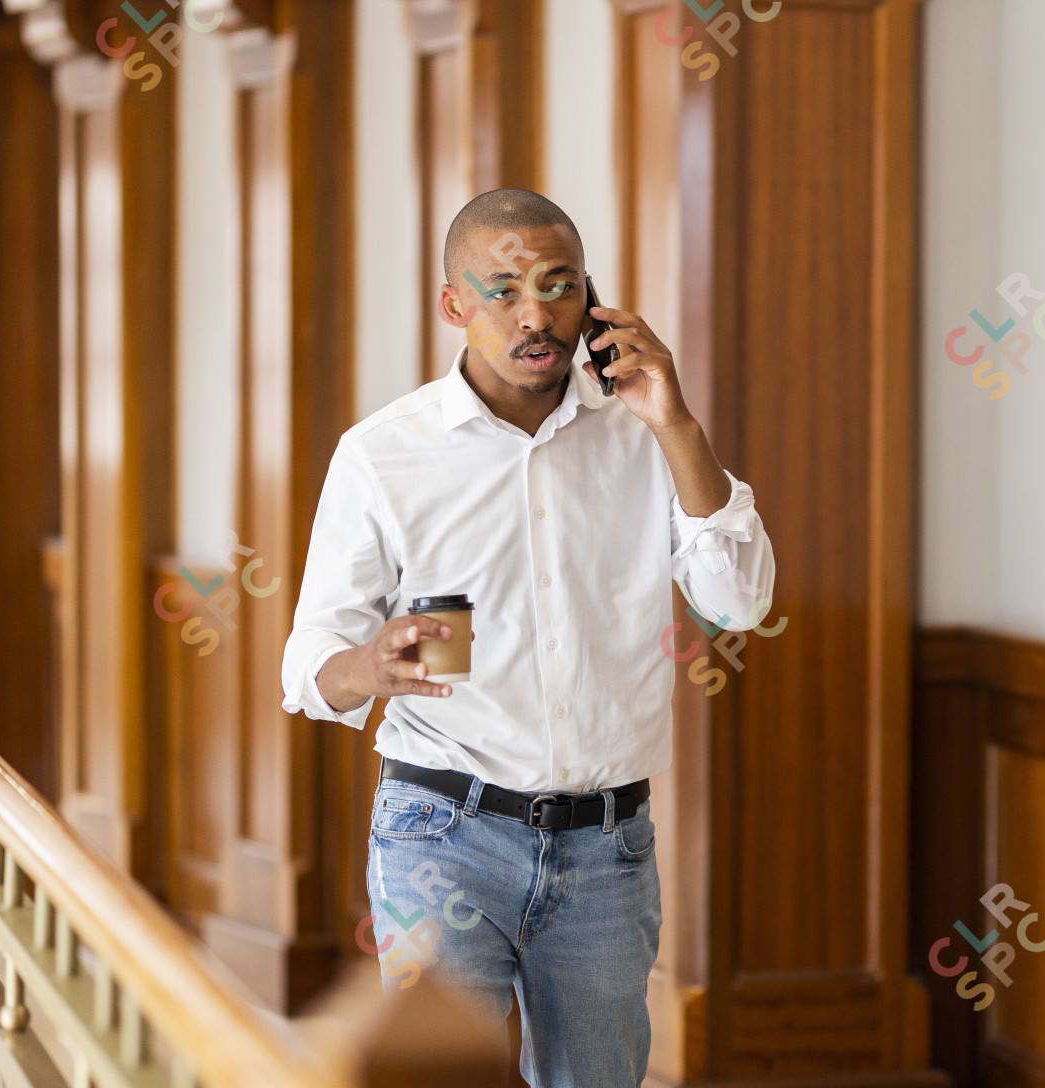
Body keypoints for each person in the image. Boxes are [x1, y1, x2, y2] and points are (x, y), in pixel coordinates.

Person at [281, 188, 774, 1086]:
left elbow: (736, 601)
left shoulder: (644, 434)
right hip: (440, 829)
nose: (536, 316)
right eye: (503, 290)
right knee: (429, 1074)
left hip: (608, 846)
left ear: (595, 299)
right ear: (453, 305)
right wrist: (371, 662)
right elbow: (311, 664)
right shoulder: (383, 453)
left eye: (560, 287)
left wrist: (677, 423)